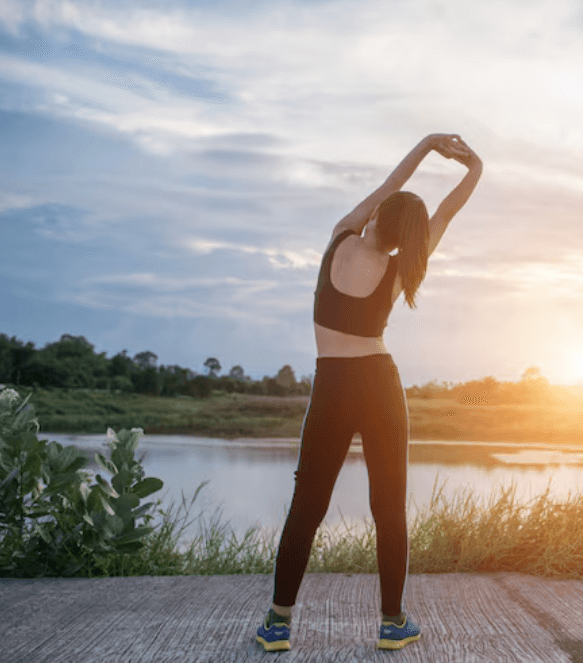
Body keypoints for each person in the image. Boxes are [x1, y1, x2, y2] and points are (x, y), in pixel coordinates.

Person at [255, 133, 482, 653]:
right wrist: (475, 170)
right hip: (380, 385)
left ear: (379, 214)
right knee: (389, 507)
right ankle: (391, 622)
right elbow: (444, 215)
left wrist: (427, 146)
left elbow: (391, 185)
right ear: (410, 238)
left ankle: (278, 623)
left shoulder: (340, 237)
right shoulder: (403, 265)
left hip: (332, 385)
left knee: (305, 507)